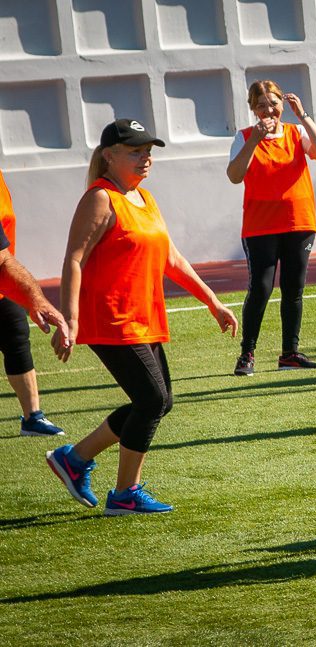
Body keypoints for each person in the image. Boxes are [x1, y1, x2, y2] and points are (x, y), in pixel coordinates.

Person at [46, 118, 239, 515]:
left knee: (159, 402)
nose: (145, 158)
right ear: (109, 156)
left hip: (143, 317)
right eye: (135, 151)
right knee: (151, 400)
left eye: (148, 151)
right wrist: (70, 318)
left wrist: (212, 302)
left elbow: (171, 258)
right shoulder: (101, 198)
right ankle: (123, 493)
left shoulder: (144, 198)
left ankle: (75, 458)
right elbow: (74, 259)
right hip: (110, 319)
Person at [226, 80, 316, 376]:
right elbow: (235, 176)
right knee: (260, 288)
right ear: (253, 109)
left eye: (273, 103)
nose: (268, 110)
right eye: (261, 105)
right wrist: (253, 142)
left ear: (282, 105)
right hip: (260, 226)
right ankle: (247, 353)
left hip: (298, 221)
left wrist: (303, 116)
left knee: (293, 289)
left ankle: (290, 353)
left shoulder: (296, 132)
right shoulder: (244, 136)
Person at [0, 169, 65, 436]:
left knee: (16, 337)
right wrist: (35, 297)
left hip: (2, 283)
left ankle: (32, 417)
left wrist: (31, 298)